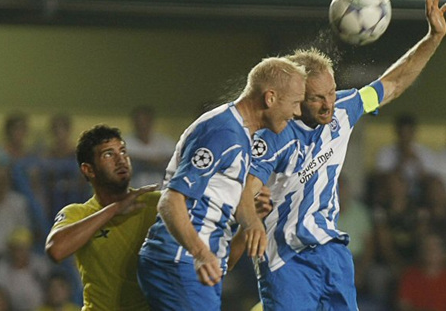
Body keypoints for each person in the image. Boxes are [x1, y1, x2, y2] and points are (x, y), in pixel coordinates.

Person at [232, 0, 446, 310]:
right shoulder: (272, 136)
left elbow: (391, 84)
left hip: (332, 252)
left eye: (332, 93)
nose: (328, 105)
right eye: (317, 98)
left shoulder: (346, 108)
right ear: (296, 100)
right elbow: (247, 190)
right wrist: (251, 220)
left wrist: (432, 38)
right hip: (285, 259)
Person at [137, 56, 307, 310]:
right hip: (181, 261)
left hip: (191, 263)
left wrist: (250, 218)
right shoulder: (223, 132)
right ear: (270, 98)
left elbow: (222, 196)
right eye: (295, 103)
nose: (298, 113)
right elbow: (171, 201)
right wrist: (200, 254)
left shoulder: (241, 133)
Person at [44, 125, 160, 311]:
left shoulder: (157, 203)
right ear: (89, 170)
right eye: (108, 154)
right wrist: (114, 210)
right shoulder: (79, 213)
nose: (121, 159)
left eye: (123, 151)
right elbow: (56, 250)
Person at [375, 113, 437, 197]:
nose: (405, 137)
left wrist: (417, 162)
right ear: (397, 133)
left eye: (408, 133)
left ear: (413, 133)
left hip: (420, 193)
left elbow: (430, 179)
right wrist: (402, 161)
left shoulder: (425, 152)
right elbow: (383, 179)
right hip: (393, 194)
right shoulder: (386, 152)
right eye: (402, 133)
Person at [396, 233, 446, 311]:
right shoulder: (410, 276)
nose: (431, 251)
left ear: (442, 253)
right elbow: (404, 306)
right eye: (427, 247)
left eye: (435, 247)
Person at [124, 105, 177, 188]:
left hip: (162, 193)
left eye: (145, 121)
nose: (142, 125)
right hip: (134, 193)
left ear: (151, 122)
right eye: (139, 122)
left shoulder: (166, 142)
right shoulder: (125, 142)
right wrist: (151, 161)